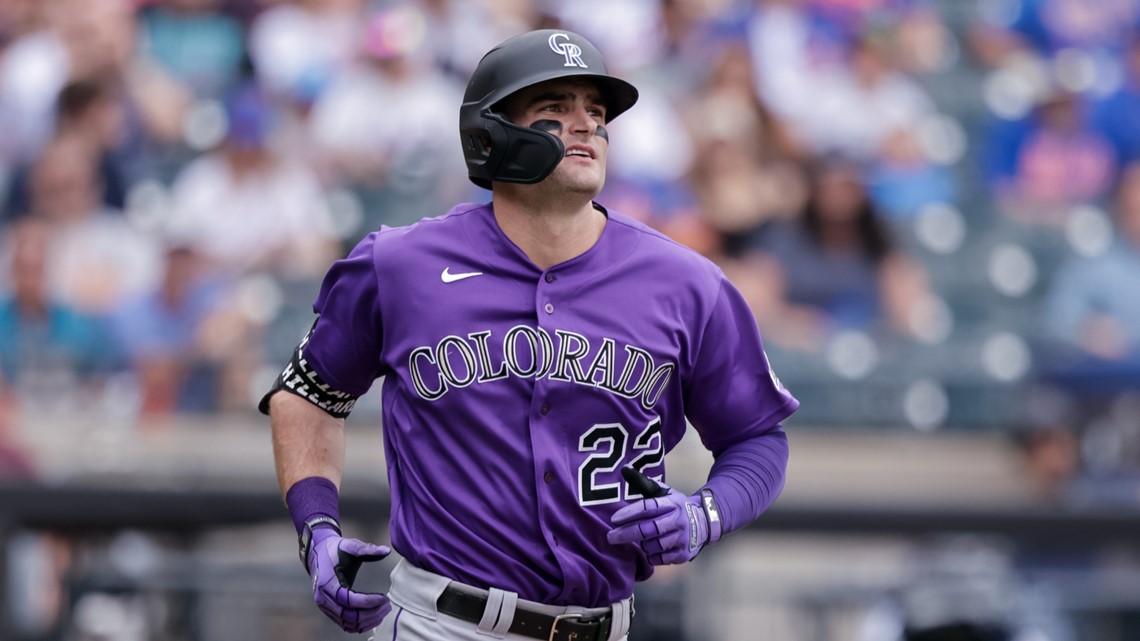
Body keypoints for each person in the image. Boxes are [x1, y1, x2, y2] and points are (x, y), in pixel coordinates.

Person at [259, 29, 797, 640]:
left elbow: (757, 436)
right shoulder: (400, 264)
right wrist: (316, 528)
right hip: (442, 622)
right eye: (555, 110)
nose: (585, 125)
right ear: (491, 134)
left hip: (605, 625)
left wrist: (707, 512)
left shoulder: (687, 283)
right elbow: (307, 394)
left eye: (595, 112)